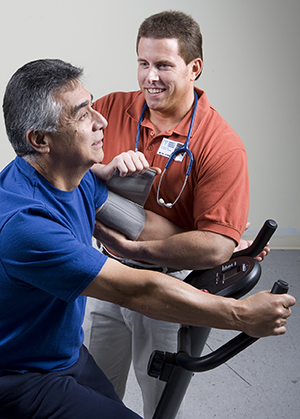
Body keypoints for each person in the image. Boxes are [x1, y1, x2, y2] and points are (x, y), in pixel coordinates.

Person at [0, 58, 295, 419]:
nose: (101, 120)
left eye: (92, 104)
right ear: (40, 140)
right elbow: (136, 290)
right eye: (82, 115)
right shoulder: (25, 225)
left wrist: (219, 244)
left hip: (64, 354)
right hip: (20, 377)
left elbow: (136, 222)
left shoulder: (74, 176)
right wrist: (240, 315)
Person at [83, 10, 270, 418]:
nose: (150, 76)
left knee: (160, 401)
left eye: (164, 65)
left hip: (169, 284)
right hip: (105, 272)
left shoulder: (220, 146)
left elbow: (215, 246)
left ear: (194, 68)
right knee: (91, 393)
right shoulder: (109, 110)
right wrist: (100, 171)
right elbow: (61, 165)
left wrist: (141, 249)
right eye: (143, 63)